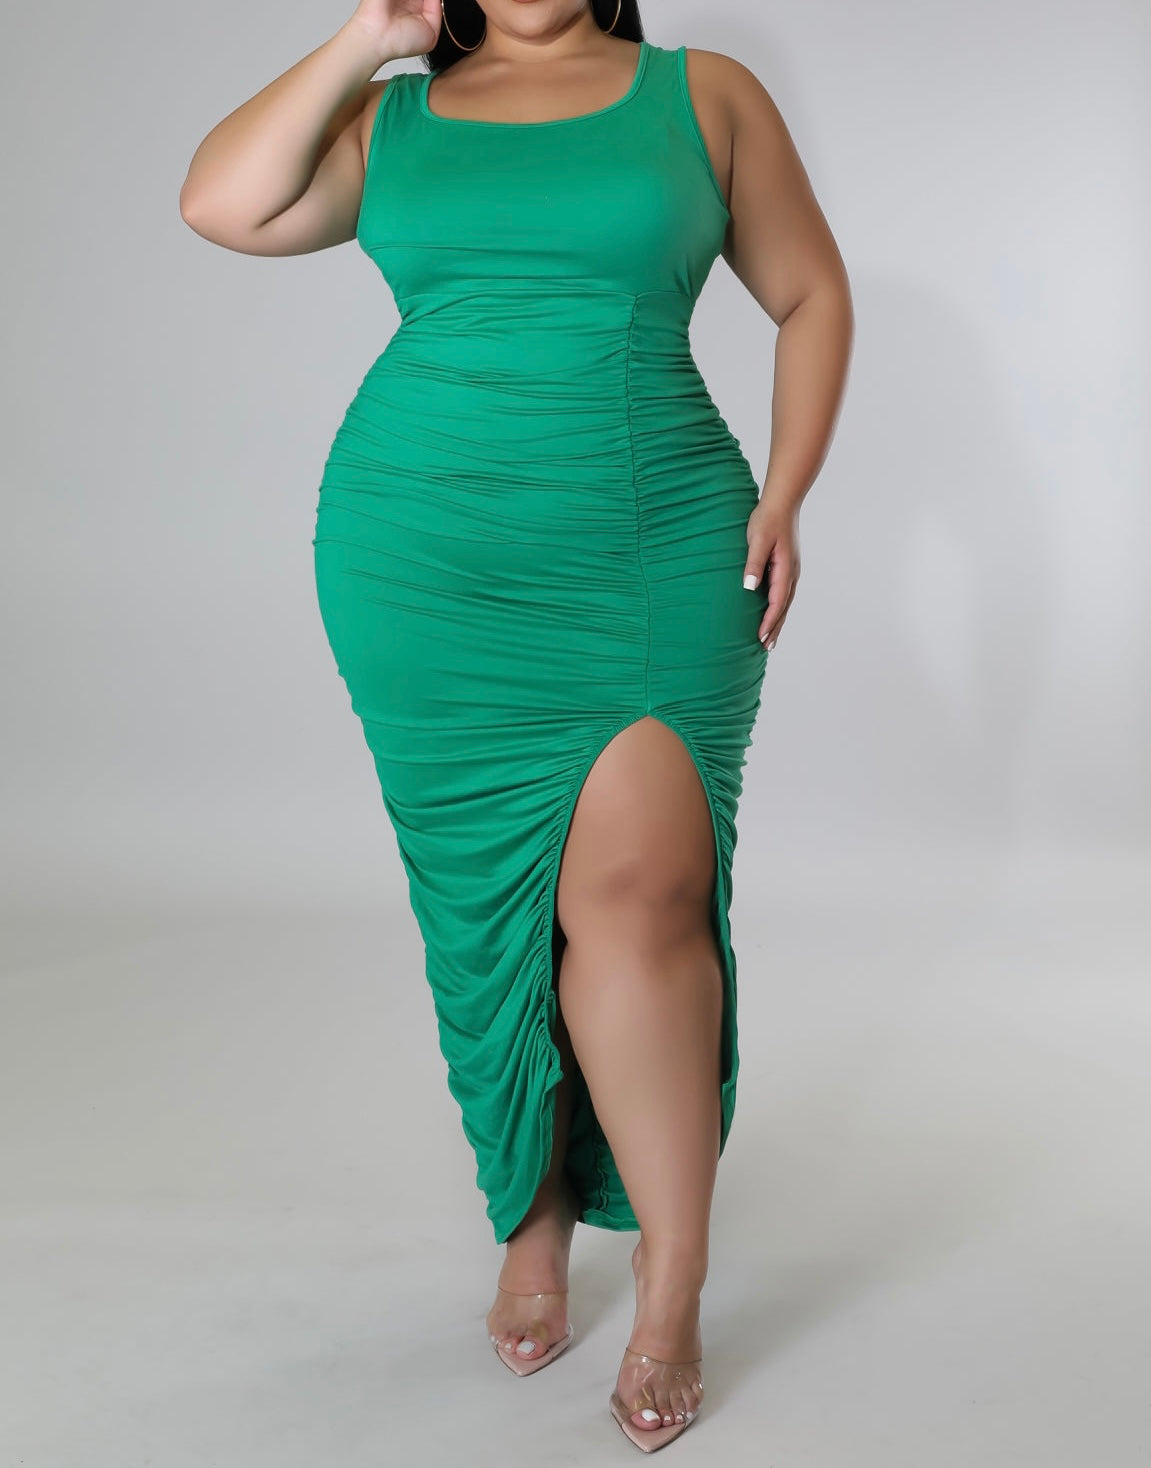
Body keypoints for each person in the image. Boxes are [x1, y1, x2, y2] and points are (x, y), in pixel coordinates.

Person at [180, 0, 852, 1449]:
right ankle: (532, 1211)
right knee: (489, 907)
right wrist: (366, 37)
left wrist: (788, 489)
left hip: (651, 541)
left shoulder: (703, 94)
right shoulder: (391, 118)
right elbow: (220, 203)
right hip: (421, 555)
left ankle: (673, 1275)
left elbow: (811, 296)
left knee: (645, 893)